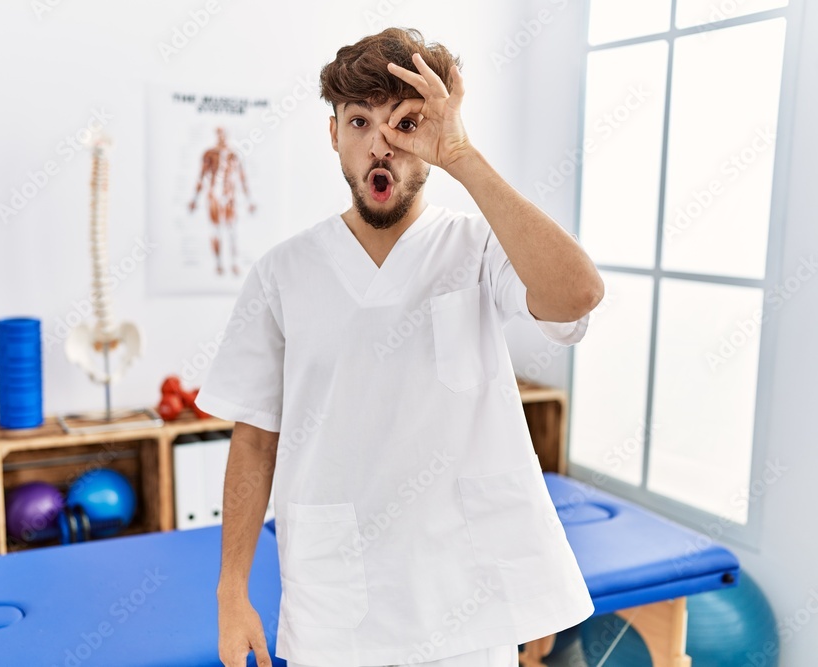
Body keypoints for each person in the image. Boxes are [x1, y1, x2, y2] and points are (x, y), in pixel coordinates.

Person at [194, 27, 604, 667]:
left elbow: (577, 294)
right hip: (334, 609)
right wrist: (231, 591)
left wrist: (461, 154)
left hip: (468, 600)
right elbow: (254, 439)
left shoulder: (479, 247)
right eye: (358, 122)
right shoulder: (283, 274)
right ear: (333, 135)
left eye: (406, 122)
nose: (379, 146)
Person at [189, 126, 257, 276]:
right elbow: (201, 177)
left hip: (229, 196)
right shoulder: (209, 154)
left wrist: (249, 201)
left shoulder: (233, 155)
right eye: (219, 134)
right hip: (214, 196)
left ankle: (233, 263)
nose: (222, 137)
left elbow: (242, 178)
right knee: (216, 230)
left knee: (232, 230)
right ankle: (219, 263)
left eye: (224, 134)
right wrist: (194, 199)